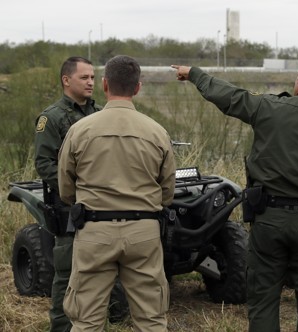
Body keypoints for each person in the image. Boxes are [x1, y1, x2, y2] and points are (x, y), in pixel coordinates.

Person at [172, 58, 298, 332]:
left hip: (268, 221)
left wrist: (195, 74)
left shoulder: (268, 107)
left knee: (263, 301)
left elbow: (228, 95)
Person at [58, 55, 176, 331]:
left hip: (94, 231)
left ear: (104, 84)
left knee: (86, 320)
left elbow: (65, 187)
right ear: (137, 88)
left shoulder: (80, 130)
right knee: (151, 320)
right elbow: (167, 191)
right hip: (143, 232)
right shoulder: (157, 132)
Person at [34, 56, 102, 332]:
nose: (90, 82)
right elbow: (45, 164)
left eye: (93, 78)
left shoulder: (100, 113)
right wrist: (75, 189)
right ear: (66, 80)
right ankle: (61, 326)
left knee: (102, 268)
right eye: (84, 77)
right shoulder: (52, 117)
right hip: (69, 205)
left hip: (102, 204)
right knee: (66, 271)